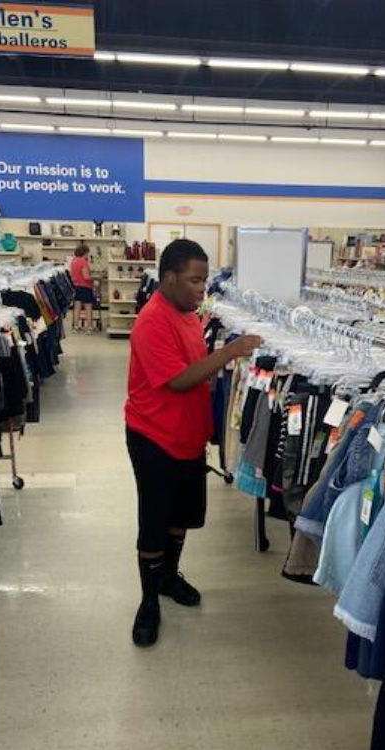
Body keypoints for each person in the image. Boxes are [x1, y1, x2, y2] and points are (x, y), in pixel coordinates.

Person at [124, 239, 262, 648]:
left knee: (180, 516)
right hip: (153, 435)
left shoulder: (187, 314)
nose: (203, 288)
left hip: (186, 436)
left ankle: (168, 578)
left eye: (204, 279)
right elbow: (180, 380)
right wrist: (231, 351)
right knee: (153, 520)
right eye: (194, 280)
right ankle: (149, 601)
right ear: (168, 279)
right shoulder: (152, 321)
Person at [69, 243, 95, 333]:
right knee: (88, 308)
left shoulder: (74, 261)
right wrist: (94, 278)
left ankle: (75, 327)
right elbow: (86, 277)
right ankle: (89, 328)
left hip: (76, 287)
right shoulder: (83, 262)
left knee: (77, 308)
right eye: (87, 253)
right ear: (84, 252)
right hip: (85, 287)